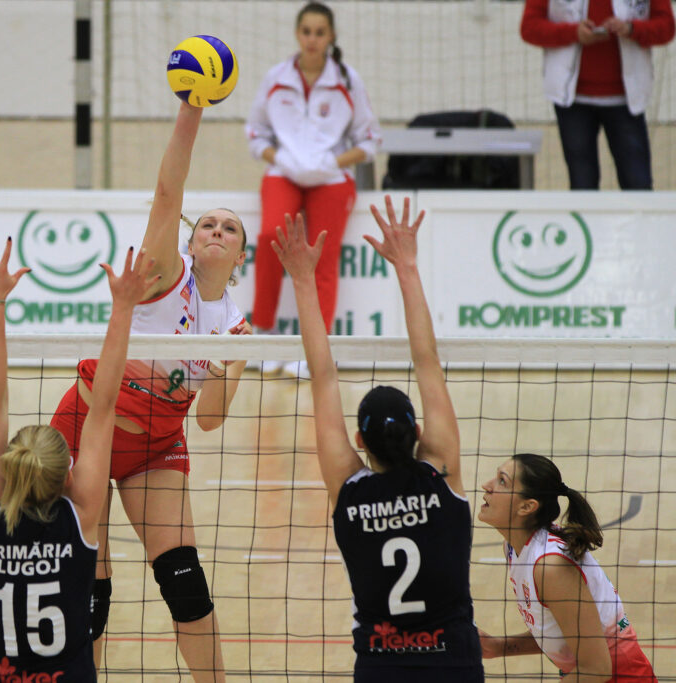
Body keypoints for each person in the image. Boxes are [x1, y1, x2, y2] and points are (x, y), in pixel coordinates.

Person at [50, 100, 251, 681]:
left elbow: (210, 419)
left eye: (230, 228)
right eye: (208, 224)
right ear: (192, 244)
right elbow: (169, 193)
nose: (216, 230)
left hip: (156, 447)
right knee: (89, 593)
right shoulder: (165, 276)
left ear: (239, 256)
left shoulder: (237, 329)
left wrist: (218, 364)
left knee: (186, 585)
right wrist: (193, 107)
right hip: (85, 429)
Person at [272, 196, 483, 682]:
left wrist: (303, 280)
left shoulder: (350, 489)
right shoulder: (441, 473)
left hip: (380, 667)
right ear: (421, 434)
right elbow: (427, 360)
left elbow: (322, 377)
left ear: (357, 441)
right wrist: (407, 266)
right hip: (454, 663)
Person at [0, 237, 157, 682]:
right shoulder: (81, 516)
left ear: (8, 471)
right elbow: (105, 403)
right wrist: (123, 306)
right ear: (68, 474)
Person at [246, 1, 380, 373]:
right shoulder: (276, 77)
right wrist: (277, 156)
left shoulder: (348, 81)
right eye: (307, 31)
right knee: (272, 235)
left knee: (321, 254)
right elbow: (255, 132)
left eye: (320, 33)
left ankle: (315, 346)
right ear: (297, 33)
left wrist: (332, 162)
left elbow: (369, 140)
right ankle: (265, 332)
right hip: (284, 173)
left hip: (331, 178)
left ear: (331, 36)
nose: (312, 40)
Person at [477, 453, 657, 682]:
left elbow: (597, 668)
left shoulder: (550, 566)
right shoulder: (515, 548)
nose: (487, 485)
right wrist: (497, 647)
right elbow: (562, 633)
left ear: (527, 506)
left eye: (502, 481)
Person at [520, 0, 675, 190]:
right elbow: (529, 28)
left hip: (627, 99)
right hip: (572, 99)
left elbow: (667, 27)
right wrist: (573, 33)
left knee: (638, 185)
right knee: (582, 186)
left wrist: (631, 29)